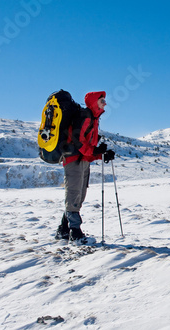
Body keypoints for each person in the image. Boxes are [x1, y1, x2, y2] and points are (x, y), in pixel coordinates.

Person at [54, 91, 115, 242]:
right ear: (94, 102)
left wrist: (101, 155)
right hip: (73, 159)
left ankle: (63, 230)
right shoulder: (85, 116)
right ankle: (75, 233)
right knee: (74, 194)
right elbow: (78, 142)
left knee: (79, 196)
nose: (105, 103)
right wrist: (95, 150)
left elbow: (87, 149)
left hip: (82, 161)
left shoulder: (94, 119)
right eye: (102, 100)